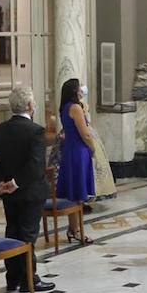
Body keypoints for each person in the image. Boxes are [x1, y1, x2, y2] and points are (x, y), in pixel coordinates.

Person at [0, 86, 54, 293]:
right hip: (30, 191)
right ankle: (29, 279)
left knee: (13, 231)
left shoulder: (0, 130)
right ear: (29, 105)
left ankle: (13, 277)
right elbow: (36, 166)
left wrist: (1, 183)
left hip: (9, 193)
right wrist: (15, 183)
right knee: (27, 236)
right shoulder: (36, 131)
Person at [56, 79, 96, 243]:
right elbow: (85, 133)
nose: (82, 90)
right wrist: (93, 148)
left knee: (73, 194)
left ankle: (73, 228)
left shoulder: (65, 107)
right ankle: (78, 230)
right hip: (79, 151)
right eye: (79, 88)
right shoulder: (75, 108)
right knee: (78, 193)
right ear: (74, 90)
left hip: (70, 149)